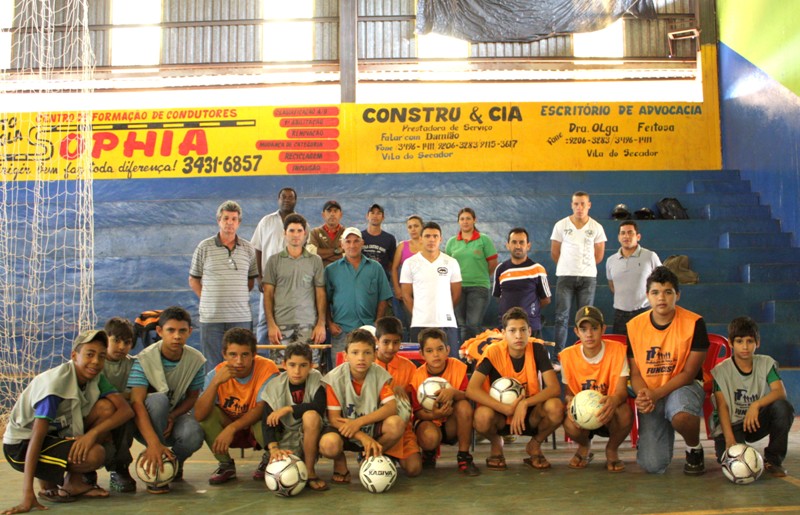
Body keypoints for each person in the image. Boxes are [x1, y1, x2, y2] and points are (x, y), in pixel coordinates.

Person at [3, 330, 134, 511]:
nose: (96, 361)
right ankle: (48, 484)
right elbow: (36, 436)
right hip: (21, 446)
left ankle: (73, 483)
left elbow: (126, 410)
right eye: (89, 354)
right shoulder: (55, 385)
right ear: (74, 356)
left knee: (107, 408)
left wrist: (92, 434)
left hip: (54, 435)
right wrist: (27, 495)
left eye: (101, 356)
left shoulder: (96, 377)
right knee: (95, 454)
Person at [627, 266, 709, 475]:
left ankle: (694, 449)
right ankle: (651, 440)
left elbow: (689, 374)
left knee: (681, 415)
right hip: (651, 391)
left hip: (683, 387)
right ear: (647, 296)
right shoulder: (634, 326)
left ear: (677, 295)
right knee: (652, 465)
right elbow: (635, 373)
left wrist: (656, 394)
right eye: (655, 292)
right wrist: (643, 395)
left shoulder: (694, 323)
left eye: (668, 292)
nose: (661, 298)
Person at [467, 307, 563, 471]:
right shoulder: (493, 352)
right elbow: (472, 390)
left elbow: (554, 388)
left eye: (523, 330)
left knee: (556, 407)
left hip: (531, 415)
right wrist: (505, 408)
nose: (518, 335)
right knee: (481, 417)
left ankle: (535, 444)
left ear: (530, 331)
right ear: (504, 333)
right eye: (512, 330)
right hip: (500, 416)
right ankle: (496, 443)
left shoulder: (537, 349)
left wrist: (524, 404)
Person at [127, 306, 206, 494]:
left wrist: (174, 415)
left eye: (182, 331)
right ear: (160, 331)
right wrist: (154, 442)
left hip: (172, 417)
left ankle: (172, 464)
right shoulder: (144, 359)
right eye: (171, 330)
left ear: (190, 332)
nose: (177, 336)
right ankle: (154, 458)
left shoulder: (196, 360)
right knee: (158, 400)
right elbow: (137, 403)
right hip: (145, 421)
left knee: (194, 433)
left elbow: (192, 397)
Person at [318, 328, 404, 485]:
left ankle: (370, 457)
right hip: (342, 429)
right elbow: (334, 419)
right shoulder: (334, 379)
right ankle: (339, 461)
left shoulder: (379, 374)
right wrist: (361, 436)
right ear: (345, 356)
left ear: (374, 355)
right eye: (355, 352)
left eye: (367, 353)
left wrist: (359, 422)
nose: (361, 358)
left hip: (368, 426)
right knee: (328, 444)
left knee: (396, 424)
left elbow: (391, 407)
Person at [711, 316, 794, 477]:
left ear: (758, 342)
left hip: (755, 421)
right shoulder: (721, 370)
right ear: (730, 343)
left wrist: (755, 406)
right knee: (736, 464)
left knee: (783, 408)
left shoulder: (766, 363)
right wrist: (730, 440)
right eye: (740, 341)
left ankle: (773, 459)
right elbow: (722, 406)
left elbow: (779, 392)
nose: (745, 347)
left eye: (750, 341)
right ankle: (731, 444)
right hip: (732, 424)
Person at [194, 328, 279, 484]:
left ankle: (269, 458)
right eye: (233, 355)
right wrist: (215, 383)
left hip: (254, 427)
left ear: (254, 354)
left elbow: (262, 407)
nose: (239, 361)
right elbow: (199, 415)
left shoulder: (267, 368)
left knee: (268, 416)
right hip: (230, 425)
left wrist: (231, 429)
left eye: (245, 355)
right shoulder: (216, 374)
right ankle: (225, 464)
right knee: (208, 416)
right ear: (224, 354)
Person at [559, 306, 633, 472]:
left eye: (594, 328)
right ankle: (584, 446)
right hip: (584, 414)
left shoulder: (618, 351)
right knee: (568, 421)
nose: (589, 334)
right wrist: (570, 402)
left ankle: (611, 450)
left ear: (603, 329)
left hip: (609, 411)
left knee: (626, 413)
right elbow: (568, 393)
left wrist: (612, 401)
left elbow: (621, 393)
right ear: (577, 332)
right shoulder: (567, 356)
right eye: (584, 329)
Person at [189, 200, 259, 373]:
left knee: (241, 366)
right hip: (211, 318)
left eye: (234, 219)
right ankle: (215, 400)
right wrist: (208, 299)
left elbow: (250, 281)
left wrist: (235, 295)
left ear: (239, 223)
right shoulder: (204, 247)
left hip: (240, 317)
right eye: (226, 218)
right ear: (218, 220)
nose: (229, 222)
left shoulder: (248, 249)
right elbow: (194, 279)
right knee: (213, 367)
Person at [260, 343, 328, 491]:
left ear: (311, 366)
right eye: (292, 365)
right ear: (284, 365)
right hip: (287, 435)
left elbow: (319, 406)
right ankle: (269, 457)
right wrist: (273, 448)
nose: (297, 371)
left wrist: (288, 408)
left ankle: (310, 472)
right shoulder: (274, 386)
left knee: (311, 416)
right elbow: (267, 421)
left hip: (312, 433)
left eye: (303, 365)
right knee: (285, 470)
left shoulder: (316, 378)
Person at [410, 328, 479, 476]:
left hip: (451, 423)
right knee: (429, 437)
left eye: (440, 349)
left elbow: (468, 395)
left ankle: (464, 456)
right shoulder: (416, 377)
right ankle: (429, 452)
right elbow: (417, 412)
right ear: (421, 354)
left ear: (447, 350)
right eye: (429, 351)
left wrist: (454, 393)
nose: (435, 354)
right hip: (428, 422)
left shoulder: (458, 367)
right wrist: (434, 414)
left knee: (464, 406)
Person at [550, 191, 607, 367]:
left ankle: (585, 355)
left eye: (582, 204)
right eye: (576, 204)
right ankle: (557, 357)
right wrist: (568, 266)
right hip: (565, 277)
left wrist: (585, 268)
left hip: (588, 278)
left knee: (585, 319)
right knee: (562, 317)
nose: (579, 207)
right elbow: (554, 252)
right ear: (571, 205)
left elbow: (599, 255)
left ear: (589, 205)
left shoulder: (596, 227)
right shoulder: (561, 225)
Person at [263, 213, 327, 364]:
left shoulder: (315, 261)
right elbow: (268, 294)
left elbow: (320, 293)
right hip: (280, 326)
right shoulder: (274, 261)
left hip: (308, 326)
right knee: (281, 370)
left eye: (299, 231)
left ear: (305, 234)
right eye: (291, 230)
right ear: (284, 233)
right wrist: (271, 324)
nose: (295, 235)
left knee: (311, 369)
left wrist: (321, 324)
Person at [325, 227, 393, 357]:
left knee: (367, 368)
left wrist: (376, 323)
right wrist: (330, 323)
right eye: (348, 241)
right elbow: (324, 300)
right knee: (340, 372)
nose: (352, 245)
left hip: (368, 330)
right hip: (341, 331)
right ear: (342, 244)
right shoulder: (331, 270)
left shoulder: (375, 268)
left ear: (362, 243)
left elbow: (383, 297)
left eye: (356, 241)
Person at [400, 221, 462, 356]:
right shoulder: (409, 263)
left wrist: (445, 311)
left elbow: (456, 293)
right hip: (420, 324)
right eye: (427, 236)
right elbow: (406, 296)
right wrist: (419, 314)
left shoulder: (451, 262)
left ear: (441, 239)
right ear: (421, 238)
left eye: (435, 236)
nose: (431, 239)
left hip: (447, 323)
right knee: (420, 368)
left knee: (451, 365)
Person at [374, 316, 422, 477]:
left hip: (403, 427)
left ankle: (387, 453)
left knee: (414, 469)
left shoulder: (408, 367)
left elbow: (415, 403)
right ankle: (371, 452)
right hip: (376, 427)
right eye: (386, 342)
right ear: (376, 341)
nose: (390, 347)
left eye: (396, 343)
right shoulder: (368, 364)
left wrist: (405, 398)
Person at [251, 187, 298, 344]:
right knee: (265, 321)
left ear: (295, 201)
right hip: (269, 281)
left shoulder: (301, 223)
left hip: (293, 283)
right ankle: (263, 359)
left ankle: (286, 360)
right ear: (278, 200)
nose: (286, 199)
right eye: (283, 197)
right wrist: (259, 276)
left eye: (290, 197)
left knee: (290, 321)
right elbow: (257, 248)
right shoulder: (266, 221)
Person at [445, 208, 498, 346]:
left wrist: (480, 276)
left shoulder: (484, 240)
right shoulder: (452, 242)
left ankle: (477, 358)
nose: (465, 222)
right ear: (458, 221)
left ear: (474, 220)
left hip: (478, 287)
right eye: (462, 219)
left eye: (468, 218)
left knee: (473, 324)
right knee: (461, 325)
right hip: (457, 288)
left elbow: (492, 264)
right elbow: (447, 265)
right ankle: (464, 358)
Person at [492, 227, 551, 338]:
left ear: (528, 246)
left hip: (531, 327)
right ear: (507, 245)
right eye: (514, 242)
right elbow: (499, 297)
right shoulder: (500, 269)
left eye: (521, 242)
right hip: (506, 329)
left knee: (534, 356)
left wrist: (530, 311)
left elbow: (546, 299)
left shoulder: (538, 269)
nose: (518, 246)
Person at [606, 220, 662, 336]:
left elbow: (661, 281)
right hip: (620, 316)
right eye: (623, 233)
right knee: (621, 351)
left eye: (630, 233)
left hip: (645, 313)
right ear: (618, 237)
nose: (626, 236)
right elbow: (612, 285)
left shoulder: (650, 256)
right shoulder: (611, 261)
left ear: (638, 236)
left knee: (645, 350)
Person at [101, 317, 138, 492]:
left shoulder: (133, 364)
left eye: (127, 342)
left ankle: (120, 469)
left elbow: (136, 394)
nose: (122, 347)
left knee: (126, 416)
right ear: (105, 339)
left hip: (121, 415)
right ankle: (84, 473)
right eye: (116, 340)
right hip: (96, 416)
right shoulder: (96, 363)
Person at [391, 215, 424, 340]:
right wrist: (397, 289)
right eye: (410, 227)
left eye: (416, 226)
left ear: (422, 227)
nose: (413, 229)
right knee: (411, 322)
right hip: (407, 292)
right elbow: (394, 268)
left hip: (423, 292)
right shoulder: (402, 246)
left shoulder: (428, 245)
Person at [361, 203, 397, 282]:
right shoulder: (359, 237)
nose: (375, 216)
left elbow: (392, 263)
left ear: (383, 217)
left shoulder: (389, 239)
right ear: (367, 216)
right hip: (362, 280)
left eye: (378, 213)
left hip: (382, 282)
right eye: (372, 213)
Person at [309, 200, 345, 267]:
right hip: (320, 275)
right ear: (323, 215)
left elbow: (349, 256)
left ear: (341, 215)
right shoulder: (315, 233)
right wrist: (337, 251)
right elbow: (312, 254)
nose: (332, 214)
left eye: (335, 211)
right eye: (329, 211)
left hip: (342, 274)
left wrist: (322, 255)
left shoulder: (347, 233)